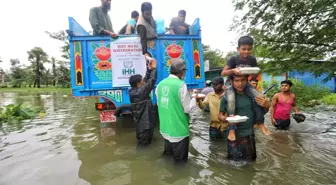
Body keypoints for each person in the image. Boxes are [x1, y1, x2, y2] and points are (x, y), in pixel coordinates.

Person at [221, 36, 270, 139]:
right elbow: (223, 73)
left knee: (259, 97)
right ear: (238, 49)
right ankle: (232, 129)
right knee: (231, 100)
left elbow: (254, 76)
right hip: (231, 83)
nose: (246, 52)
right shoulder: (233, 58)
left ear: (252, 48)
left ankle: (260, 123)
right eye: (244, 49)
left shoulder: (252, 59)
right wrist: (233, 71)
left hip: (245, 82)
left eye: (249, 49)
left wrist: (253, 75)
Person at [218, 74, 270, 161]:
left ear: (247, 81)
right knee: (234, 163)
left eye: (243, 80)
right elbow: (220, 116)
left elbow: (262, 112)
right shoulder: (226, 97)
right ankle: (232, 130)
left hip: (249, 134)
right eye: (237, 81)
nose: (240, 83)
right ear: (231, 82)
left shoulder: (253, 96)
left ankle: (262, 125)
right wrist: (227, 119)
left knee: (251, 161)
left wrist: (267, 105)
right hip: (234, 136)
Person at [156, 59, 191, 164]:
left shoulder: (160, 84)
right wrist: (194, 100)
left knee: (168, 157)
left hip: (165, 129)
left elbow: (160, 104)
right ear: (181, 72)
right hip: (178, 131)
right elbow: (187, 108)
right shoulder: (181, 85)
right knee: (180, 164)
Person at [129, 57, 157, 146]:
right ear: (138, 84)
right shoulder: (141, 92)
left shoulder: (133, 91)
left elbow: (145, 81)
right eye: (141, 81)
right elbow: (151, 81)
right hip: (145, 126)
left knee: (142, 143)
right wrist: (154, 69)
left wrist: (149, 70)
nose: (143, 82)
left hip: (141, 125)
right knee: (144, 146)